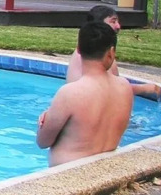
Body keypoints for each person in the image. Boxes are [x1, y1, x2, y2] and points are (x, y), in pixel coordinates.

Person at [37, 21, 134, 166]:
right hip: (106, 171)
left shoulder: (70, 93)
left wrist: (43, 123)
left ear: (79, 50)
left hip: (68, 176)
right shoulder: (125, 88)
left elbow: (42, 142)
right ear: (111, 52)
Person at [65, 5, 161, 100]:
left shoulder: (91, 49)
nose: (118, 26)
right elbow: (110, 89)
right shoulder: (93, 54)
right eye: (113, 21)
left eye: (118, 21)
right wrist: (146, 88)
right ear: (99, 23)